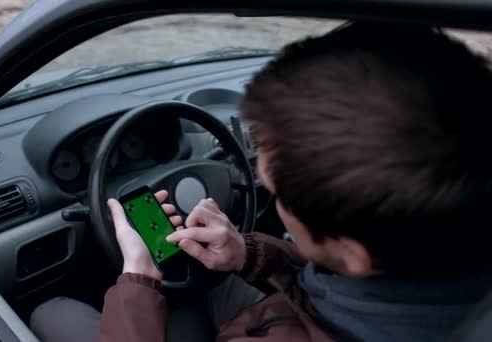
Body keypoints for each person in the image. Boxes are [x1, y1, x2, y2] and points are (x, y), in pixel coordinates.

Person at [30, 22, 492, 342]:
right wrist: (247, 253)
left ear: (355, 253)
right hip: (299, 308)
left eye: (280, 193)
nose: (270, 192)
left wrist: (138, 278)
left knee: (53, 312)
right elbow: (335, 282)